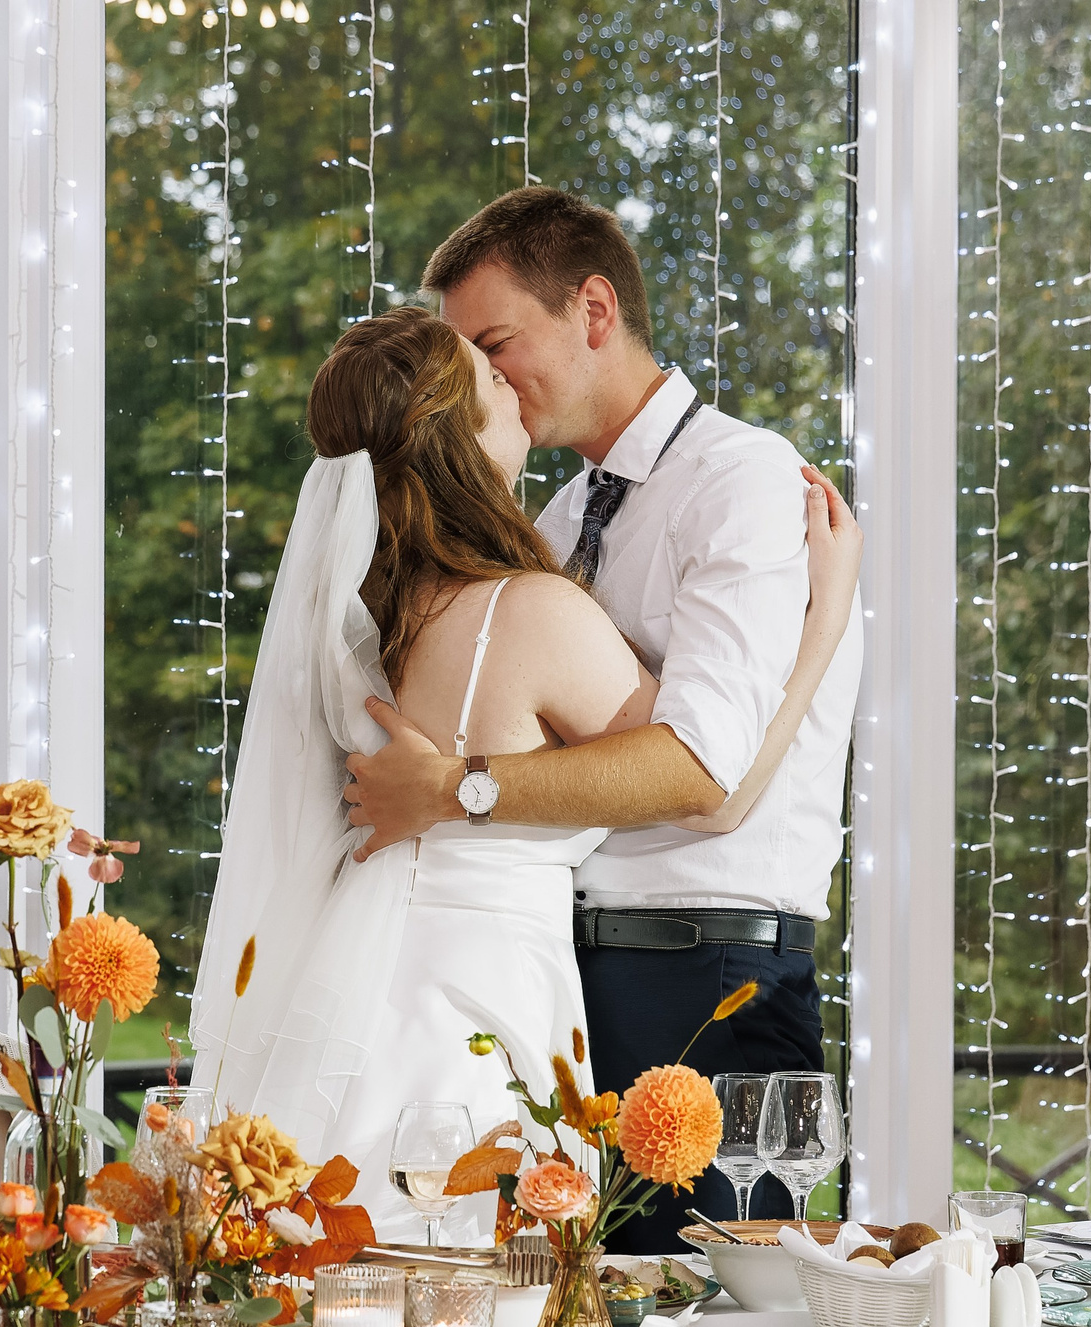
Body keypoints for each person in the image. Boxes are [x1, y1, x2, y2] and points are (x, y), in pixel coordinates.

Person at [187, 306, 858, 1231]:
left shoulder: (358, 627)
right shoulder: (532, 611)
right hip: (487, 986)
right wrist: (826, 622)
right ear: (456, 437)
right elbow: (715, 788)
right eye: (490, 378)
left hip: (362, 978)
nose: (514, 389)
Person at [341, 188, 864, 1252]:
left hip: (709, 977)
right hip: (572, 978)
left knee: (714, 1319)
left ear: (592, 310)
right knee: (588, 1313)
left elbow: (702, 781)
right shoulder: (557, 515)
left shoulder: (739, 481)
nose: (487, 383)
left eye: (496, 347)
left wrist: (454, 787)